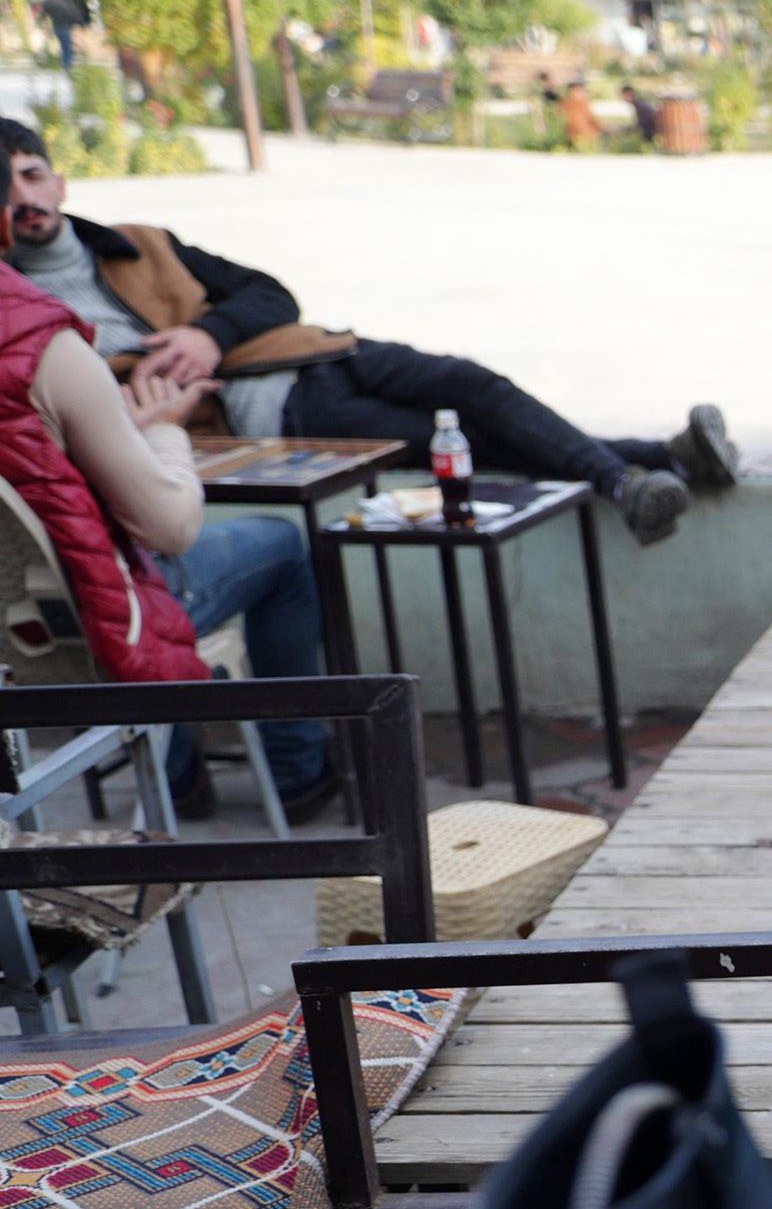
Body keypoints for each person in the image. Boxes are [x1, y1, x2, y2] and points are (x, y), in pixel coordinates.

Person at [0, 117, 739, 550]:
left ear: (60, 181)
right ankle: (632, 475)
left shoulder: (139, 240)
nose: (26, 199)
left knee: (474, 383)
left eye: (35, 176)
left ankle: (655, 461)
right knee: (452, 439)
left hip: (319, 352)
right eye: (8, 189)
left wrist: (210, 335)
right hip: (274, 413)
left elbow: (271, 294)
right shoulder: (19, 306)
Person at [0, 138, 329, 822]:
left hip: (13, 641)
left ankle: (176, 778)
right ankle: (296, 776)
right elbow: (170, 528)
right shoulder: (46, 345)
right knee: (279, 544)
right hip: (89, 621)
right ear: (5, 219)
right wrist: (163, 429)